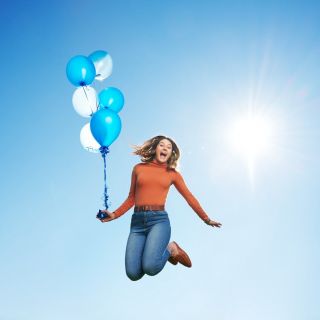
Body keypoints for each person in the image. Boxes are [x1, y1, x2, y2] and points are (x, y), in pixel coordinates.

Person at [97, 135, 222, 281]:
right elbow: (132, 198)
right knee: (133, 274)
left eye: (169, 147)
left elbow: (189, 197)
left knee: (150, 267)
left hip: (158, 221)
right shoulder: (138, 169)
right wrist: (114, 214)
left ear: (171, 153)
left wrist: (206, 219)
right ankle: (155, 251)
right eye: (162, 145)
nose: (165, 148)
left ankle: (171, 249)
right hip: (137, 224)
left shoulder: (172, 174)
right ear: (155, 148)